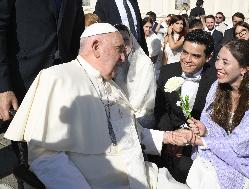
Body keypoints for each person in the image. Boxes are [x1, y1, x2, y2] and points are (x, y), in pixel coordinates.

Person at [4, 23, 194, 189]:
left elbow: (129, 133)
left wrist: (168, 136)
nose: (123, 58)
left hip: (145, 177)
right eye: (120, 49)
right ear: (96, 47)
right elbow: (46, 157)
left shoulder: (111, 85)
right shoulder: (57, 78)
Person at [0, 0, 84, 186]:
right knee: (27, 158)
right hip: (24, 83)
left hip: (63, 85)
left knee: (60, 154)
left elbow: (77, 33)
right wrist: (3, 87)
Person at [187, 39, 249, 189]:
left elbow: (241, 143)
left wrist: (203, 141)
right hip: (221, 150)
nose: (218, 66)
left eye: (225, 62)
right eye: (218, 59)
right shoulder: (217, 86)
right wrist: (204, 130)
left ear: (244, 69)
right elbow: (211, 124)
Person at [154, 29, 216, 183]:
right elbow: (161, 110)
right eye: (185, 52)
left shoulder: (216, 79)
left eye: (195, 56)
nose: (187, 59)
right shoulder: (167, 71)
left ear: (208, 57)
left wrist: (191, 138)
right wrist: (171, 138)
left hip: (200, 146)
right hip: (170, 142)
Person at [113, 24, 157, 128]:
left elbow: (141, 96)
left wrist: (124, 112)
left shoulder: (144, 62)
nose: (123, 44)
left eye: (126, 40)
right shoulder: (113, 62)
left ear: (132, 40)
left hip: (141, 115)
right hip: (119, 113)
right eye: (118, 40)